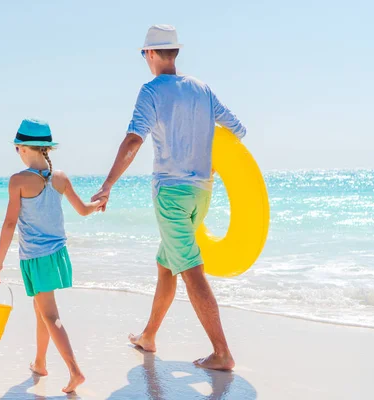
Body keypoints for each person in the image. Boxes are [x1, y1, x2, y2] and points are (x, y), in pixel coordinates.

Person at [92, 25, 246, 371]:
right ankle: (148, 336)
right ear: (173, 52)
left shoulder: (151, 92)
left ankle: (222, 352)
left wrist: (108, 184)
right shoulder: (202, 89)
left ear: (150, 54)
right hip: (202, 193)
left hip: (171, 196)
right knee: (166, 265)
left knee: (191, 270)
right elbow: (237, 129)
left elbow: (134, 141)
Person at [0, 118, 106, 393]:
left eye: (17, 148)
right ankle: (40, 362)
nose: (17, 152)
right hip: (58, 255)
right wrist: (99, 203)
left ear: (24, 148)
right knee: (41, 310)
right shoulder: (60, 177)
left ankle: (75, 371)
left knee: (49, 314)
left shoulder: (18, 180)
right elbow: (83, 210)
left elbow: (9, 223)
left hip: (36, 258)